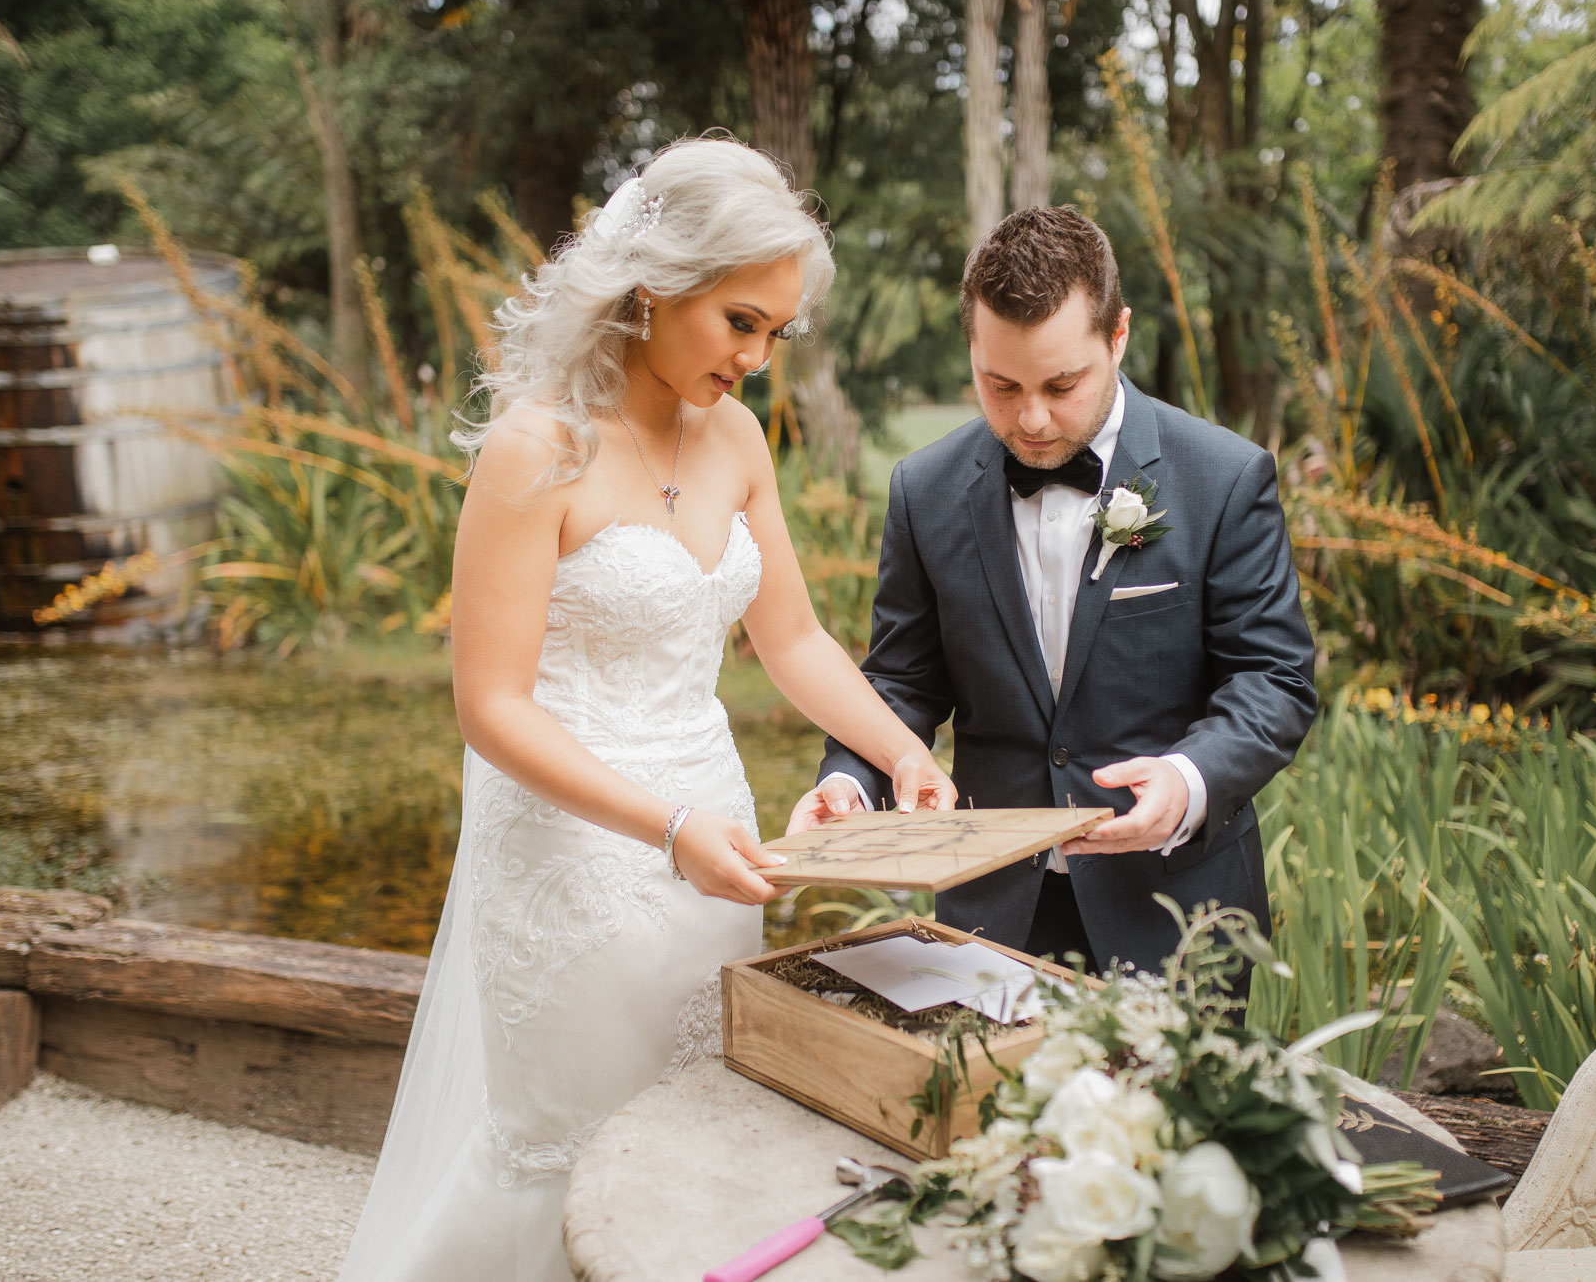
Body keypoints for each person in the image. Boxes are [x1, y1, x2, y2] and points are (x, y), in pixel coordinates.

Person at [339, 137, 955, 1282]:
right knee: (566, 1146)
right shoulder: (537, 449)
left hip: (718, 842)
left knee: (691, 1138)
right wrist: (663, 830)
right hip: (574, 853)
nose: (759, 358)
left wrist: (898, 747)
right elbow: (490, 705)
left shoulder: (736, 439)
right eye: (740, 322)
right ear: (653, 286)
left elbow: (790, 638)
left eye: (777, 332)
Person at [791, 205, 1315, 988]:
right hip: (991, 911)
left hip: (1175, 907)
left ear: (1119, 337)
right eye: (1000, 385)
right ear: (971, 349)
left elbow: (1274, 679)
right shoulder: (924, 489)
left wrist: (1187, 778)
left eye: (1062, 384)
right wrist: (852, 782)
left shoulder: (1224, 478)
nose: (1031, 419)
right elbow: (902, 680)